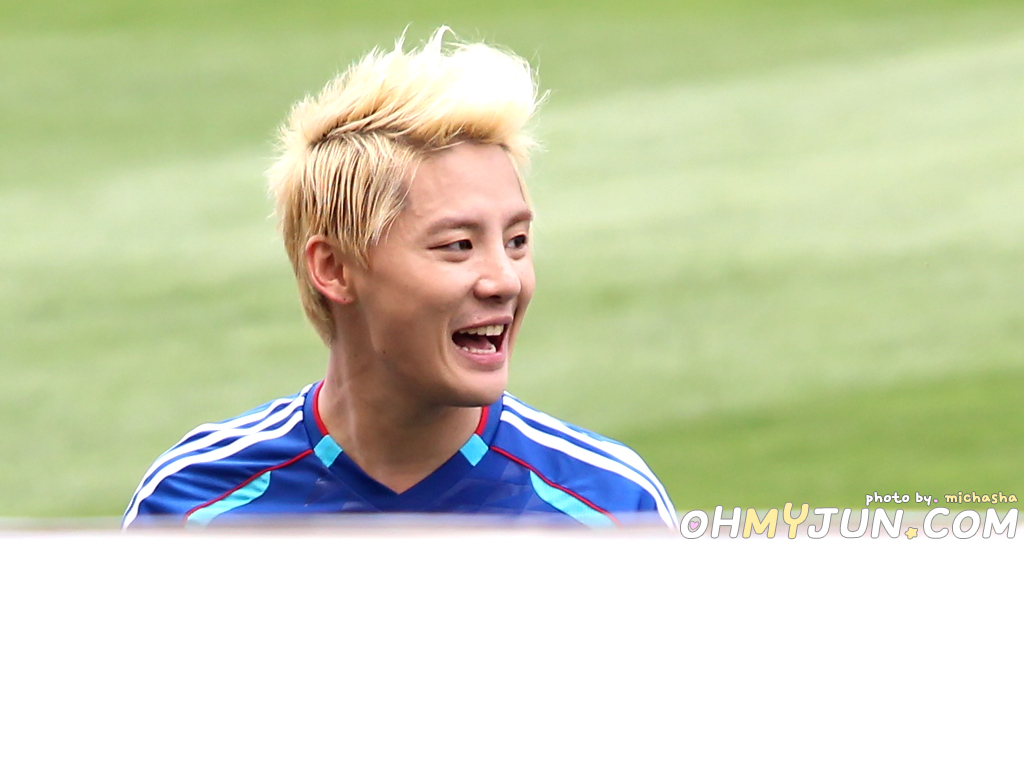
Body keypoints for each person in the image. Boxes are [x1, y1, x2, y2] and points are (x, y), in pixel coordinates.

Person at [122, 29, 676, 530]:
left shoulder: (613, 510)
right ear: (334, 269)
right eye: (458, 246)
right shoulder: (190, 508)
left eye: (516, 241)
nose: (504, 281)